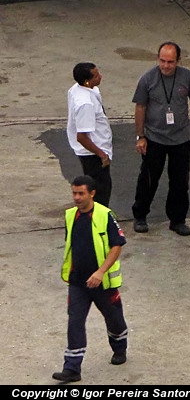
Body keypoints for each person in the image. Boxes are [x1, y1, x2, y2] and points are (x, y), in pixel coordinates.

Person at [52, 175, 128, 383]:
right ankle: (72, 368)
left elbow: (117, 245)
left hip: (102, 283)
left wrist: (101, 271)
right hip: (77, 282)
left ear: (92, 194)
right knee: (75, 322)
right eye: (74, 193)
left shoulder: (105, 215)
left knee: (114, 319)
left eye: (81, 193)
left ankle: (120, 347)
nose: (76, 197)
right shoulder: (70, 216)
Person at [131, 41, 190, 236]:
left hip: (180, 139)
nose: (166, 66)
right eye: (162, 61)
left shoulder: (188, 77)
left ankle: (178, 220)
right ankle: (140, 216)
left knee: (180, 182)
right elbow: (140, 107)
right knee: (148, 180)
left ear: (178, 61)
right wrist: (141, 136)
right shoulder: (148, 79)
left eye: (170, 62)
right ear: (158, 59)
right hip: (154, 138)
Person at [66, 62, 114, 207]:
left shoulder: (77, 89)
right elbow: (81, 137)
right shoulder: (85, 104)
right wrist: (102, 154)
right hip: (93, 154)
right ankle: (98, 220)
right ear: (87, 81)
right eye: (96, 75)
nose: (100, 77)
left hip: (95, 150)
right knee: (100, 191)